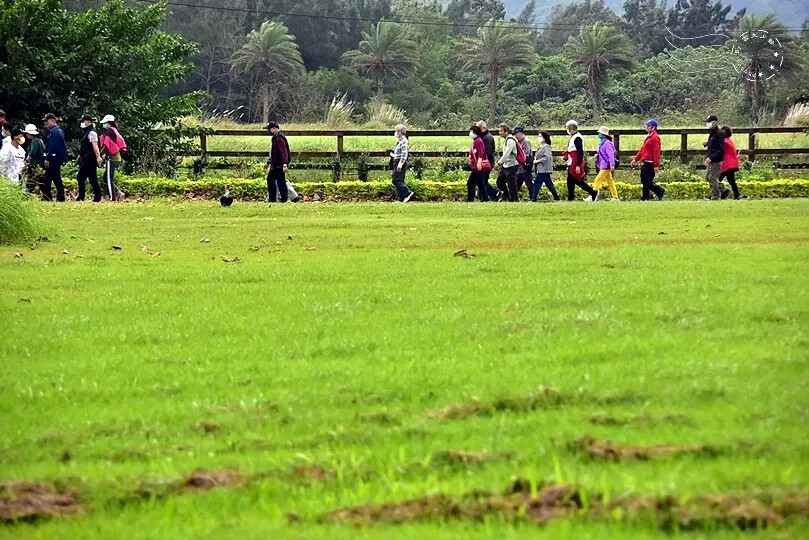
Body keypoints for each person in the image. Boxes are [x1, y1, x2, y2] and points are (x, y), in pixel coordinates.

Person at [630, 119, 666, 201]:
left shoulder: (654, 138)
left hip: (650, 163)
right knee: (644, 180)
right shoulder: (648, 137)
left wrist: (656, 165)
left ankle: (648, 196)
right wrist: (635, 159)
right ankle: (656, 192)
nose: (647, 127)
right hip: (645, 162)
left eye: (648, 126)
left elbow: (656, 152)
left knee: (646, 181)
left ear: (653, 127)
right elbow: (642, 150)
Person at [563, 120, 597, 201]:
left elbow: (580, 151)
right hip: (572, 160)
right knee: (571, 180)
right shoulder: (574, 136)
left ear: (571, 128)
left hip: (575, 161)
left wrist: (578, 165)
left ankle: (592, 192)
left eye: (568, 128)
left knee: (576, 180)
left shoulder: (577, 137)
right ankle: (571, 198)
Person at [99, 115, 126, 200]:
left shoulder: (110, 132)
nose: (104, 125)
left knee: (108, 178)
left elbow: (107, 146)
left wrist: (100, 154)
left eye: (105, 123)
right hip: (116, 157)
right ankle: (118, 193)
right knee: (105, 178)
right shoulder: (115, 131)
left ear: (108, 123)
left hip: (112, 158)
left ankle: (112, 197)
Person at [76, 114, 103, 202]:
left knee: (80, 177)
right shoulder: (87, 132)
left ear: (88, 122)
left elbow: (95, 145)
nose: (82, 123)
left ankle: (81, 197)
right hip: (88, 158)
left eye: (83, 121)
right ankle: (97, 197)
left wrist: (98, 157)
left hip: (89, 158)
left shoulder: (91, 132)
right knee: (92, 179)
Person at [42, 113, 67, 202]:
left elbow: (53, 147)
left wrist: (48, 158)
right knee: (51, 177)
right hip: (56, 157)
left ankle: (57, 196)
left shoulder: (55, 132)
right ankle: (49, 196)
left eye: (46, 121)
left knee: (53, 177)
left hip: (55, 158)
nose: (45, 123)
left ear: (52, 120)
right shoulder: (55, 131)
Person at [704, 114, 729, 200]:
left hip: (716, 160)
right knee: (708, 177)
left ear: (714, 122)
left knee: (713, 178)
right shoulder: (712, 133)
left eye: (709, 122)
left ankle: (715, 196)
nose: (707, 124)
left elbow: (720, 149)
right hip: (712, 159)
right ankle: (723, 189)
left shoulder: (719, 133)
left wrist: (711, 157)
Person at [476, 121, 502, 201]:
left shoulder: (488, 138)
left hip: (486, 163)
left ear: (483, 128)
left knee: (482, 181)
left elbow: (489, 152)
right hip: (484, 162)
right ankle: (484, 197)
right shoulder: (483, 137)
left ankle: (495, 193)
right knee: (481, 180)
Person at [591, 126, 619, 201]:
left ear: (604, 135)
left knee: (597, 179)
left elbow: (611, 155)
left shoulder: (607, 143)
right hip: (604, 164)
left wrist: (612, 165)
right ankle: (615, 197)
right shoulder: (602, 143)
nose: (599, 135)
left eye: (600, 133)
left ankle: (593, 196)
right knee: (610, 181)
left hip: (606, 165)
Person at [532, 131, 560, 201]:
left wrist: (537, 161)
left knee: (537, 184)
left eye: (540, 136)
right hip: (541, 169)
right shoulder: (541, 147)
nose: (538, 138)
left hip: (544, 169)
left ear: (544, 138)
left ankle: (533, 198)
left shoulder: (546, 147)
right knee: (549, 184)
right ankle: (556, 197)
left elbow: (547, 157)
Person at [265, 121, 290, 203]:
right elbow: (273, 152)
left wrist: (284, 164)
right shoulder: (276, 138)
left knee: (277, 180)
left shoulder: (279, 138)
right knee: (279, 180)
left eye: (270, 129)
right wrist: (269, 162)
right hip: (276, 163)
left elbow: (284, 151)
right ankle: (281, 198)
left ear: (275, 129)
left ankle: (276, 198)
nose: (269, 131)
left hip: (279, 164)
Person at [495, 124, 520, 202]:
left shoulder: (510, 141)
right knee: (500, 181)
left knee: (511, 183)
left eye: (501, 131)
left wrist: (499, 163)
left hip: (512, 165)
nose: (499, 133)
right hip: (506, 165)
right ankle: (506, 195)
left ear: (506, 131)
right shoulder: (507, 140)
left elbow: (507, 153)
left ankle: (514, 199)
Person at [390, 123, 414, 202]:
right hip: (396, 161)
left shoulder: (404, 141)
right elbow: (398, 153)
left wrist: (400, 164)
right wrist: (392, 154)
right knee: (400, 180)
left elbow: (404, 154)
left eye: (397, 131)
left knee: (395, 180)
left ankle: (407, 193)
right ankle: (400, 198)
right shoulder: (400, 141)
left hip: (399, 163)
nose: (396, 133)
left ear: (401, 132)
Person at [466, 124, 490, 202]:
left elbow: (481, 153)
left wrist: (479, 163)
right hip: (476, 165)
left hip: (478, 166)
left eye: (471, 131)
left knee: (470, 183)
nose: (470, 133)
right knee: (480, 183)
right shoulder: (476, 141)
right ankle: (485, 198)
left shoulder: (478, 141)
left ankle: (470, 200)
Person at [720, 126, 742, 200]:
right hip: (732, 164)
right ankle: (736, 195)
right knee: (731, 181)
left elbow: (720, 151)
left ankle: (720, 193)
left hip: (727, 165)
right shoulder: (729, 141)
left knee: (716, 180)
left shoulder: (724, 142)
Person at [24, 124, 45, 193]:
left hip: (34, 164)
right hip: (40, 164)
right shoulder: (40, 140)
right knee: (41, 181)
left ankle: (28, 196)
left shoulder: (34, 141)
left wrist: (27, 161)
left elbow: (32, 152)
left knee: (30, 182)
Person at [513, 126, 533, 200]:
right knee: (517, 182)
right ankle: (514, 197)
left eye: (516, 134)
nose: (515, 136)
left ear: (521, 133)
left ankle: (533, 197)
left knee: (529, 183)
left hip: (525, 166)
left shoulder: (526, 142)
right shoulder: (518, 142)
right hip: (520, 166)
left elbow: (526, 155)